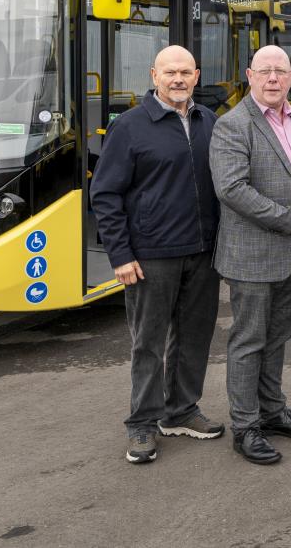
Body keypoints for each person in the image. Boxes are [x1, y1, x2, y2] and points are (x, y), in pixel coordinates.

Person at [90, 45, 223, 465]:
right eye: (170, 72)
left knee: (195, 337)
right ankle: (142, 424)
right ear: (154, 76)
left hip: (203, 251)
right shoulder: (129, 127)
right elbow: (105, 195)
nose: (178, 79)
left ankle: (181, 410)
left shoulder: (209, 122)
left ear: (197, 76)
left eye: (185, 72)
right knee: (148, 344)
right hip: (151, 255)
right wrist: (120, 255)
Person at [210, 45, 291, 466]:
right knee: (248, 341)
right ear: (250, 75)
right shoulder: (233, 125)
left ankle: (272, 410)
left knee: (277, 337)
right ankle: (246, 426)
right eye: (266, 71)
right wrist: (286, 218)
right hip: (254, 254)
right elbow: (232, 189)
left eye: (281, 71)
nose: (274, 79)